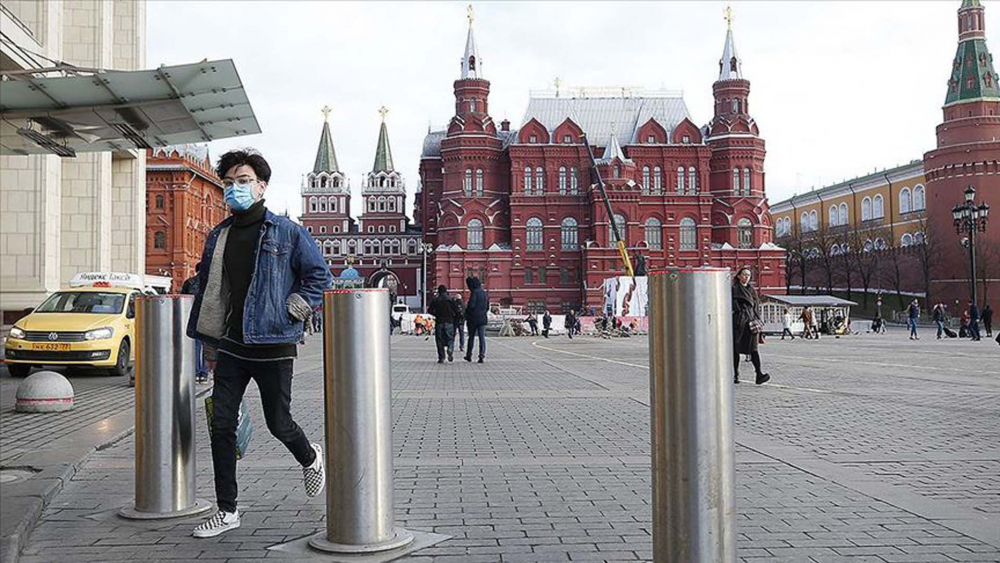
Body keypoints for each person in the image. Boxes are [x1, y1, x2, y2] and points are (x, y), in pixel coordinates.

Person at [187, 149, 331, 538]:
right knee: (222, 426)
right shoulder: (220, 235)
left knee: (277, 422)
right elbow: (213, 291)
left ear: (261, 186)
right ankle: (227, 510)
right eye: (230, 182)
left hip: (274, 343)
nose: (235, 188)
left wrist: (292, 310)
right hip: (233, 344)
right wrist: (211, 344)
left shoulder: (286, 230)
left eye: (244, 180)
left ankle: (310, 456)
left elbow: (319, 275)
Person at [731, 266, 770, 385]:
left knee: (753, 348)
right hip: (739, 321)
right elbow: (731, 303)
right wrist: (738, 310)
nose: (746, 277)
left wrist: (758, 319)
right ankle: (736, 374)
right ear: (738, 276)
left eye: (748, 275)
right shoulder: (734, 288)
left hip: (751, 321)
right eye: (744, 275)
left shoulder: (752, 290)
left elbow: (756, 305)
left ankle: (759, 374)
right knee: (736, 349)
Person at [181, 264, 211, 383]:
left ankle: (196, 372)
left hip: (193, 318)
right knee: (207, 348)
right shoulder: (211, 283)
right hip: (208, 318)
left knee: (195, 347)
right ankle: (204, 373)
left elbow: (183, 300)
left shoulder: (189, 282)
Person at [428, 286, 460, 363]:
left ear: (439, 292)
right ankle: (450, 349)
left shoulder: (435, 300)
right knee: (450, 338)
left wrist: (436, 314)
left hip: (439, 322)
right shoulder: (451, 300)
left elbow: (430, 310)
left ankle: (441, 357)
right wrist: (454, 318)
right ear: (446, 291)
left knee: (439, 340)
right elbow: (457, 311)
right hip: (449, 321)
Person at [464, 276, 488, 363]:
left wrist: (467, 311)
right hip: (483, 318)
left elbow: (472, 305)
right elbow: (487, 306)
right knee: (482, 337)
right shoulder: (483, 292)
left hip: (473, 318)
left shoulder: (474, 292)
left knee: (471, 337)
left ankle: (469, 355)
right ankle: (482, 354)